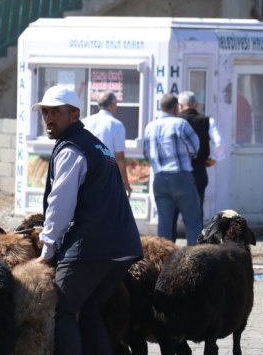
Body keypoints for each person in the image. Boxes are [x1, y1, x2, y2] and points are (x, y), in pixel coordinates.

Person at [33, 85, 142, 355]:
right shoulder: (97, 146)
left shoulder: (72, 149)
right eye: (45, 112)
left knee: (63, 310)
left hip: (92, 247)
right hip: (122, 246)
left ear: (74, 114)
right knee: (90, 311)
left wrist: (48, 248)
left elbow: (60, 203)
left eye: (56, 111)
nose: (49, 118)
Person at [143, 93, 203, 244]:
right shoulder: (181, 124)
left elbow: (146, 153)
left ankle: (165, 262)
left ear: (161, 108)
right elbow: (195, 148)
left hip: (159, 177)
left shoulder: (150, 126)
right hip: (181, 175)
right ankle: (194, 260)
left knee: (164, 224)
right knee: (192, 221)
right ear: (176, 108)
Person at [82, 91, 132, 196]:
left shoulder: (85, 122)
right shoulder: (116, 125)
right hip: (107, 176)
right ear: (112, 104)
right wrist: (125, 182)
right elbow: (119, 157)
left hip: (86, 174)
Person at [175, 90, 212, 226]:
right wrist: (213, 158)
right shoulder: (206, 120)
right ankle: (197, 244)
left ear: (180, 105)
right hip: (199, 170)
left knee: (173, 212)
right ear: (195, 104)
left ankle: (170, 244)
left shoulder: (175, 121)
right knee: (196, 211)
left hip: (177, 170)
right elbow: (219, 142)